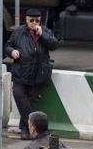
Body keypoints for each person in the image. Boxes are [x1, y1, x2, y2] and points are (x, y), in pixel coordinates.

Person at [5, 10, 58, 140]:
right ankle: (39, 130)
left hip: (38, 74)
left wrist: (42, 35)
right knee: (19, 96)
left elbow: (54, 45)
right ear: (26, 20)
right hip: (20, 72)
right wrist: (12, 51)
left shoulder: (45, 31)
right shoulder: (18, 32)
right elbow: (7, 45)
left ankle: (25, 128)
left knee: (28, 100)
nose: (34, 23)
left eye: (37, 21)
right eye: (31, 20)